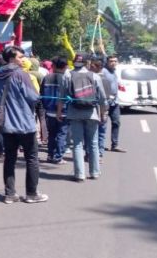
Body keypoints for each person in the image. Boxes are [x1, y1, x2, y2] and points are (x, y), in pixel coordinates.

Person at [0, 46, 48, 204]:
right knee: (32, 159)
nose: (23, 59)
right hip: (25, 124)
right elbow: (33, 97)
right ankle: (32, 193)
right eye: (21, 57)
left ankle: (10, 194)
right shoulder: (21, 74)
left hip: (6, 125)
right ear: (12, 58)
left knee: (10, 159)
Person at [57, 54, 108, 182]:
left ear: (74, 62)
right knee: (93, 144)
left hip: (74, 113)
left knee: (77, 145)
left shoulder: (67, 75)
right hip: (91, 113)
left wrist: (59, 112)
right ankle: (95, 172)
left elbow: (62, 97)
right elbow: (102, 99)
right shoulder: (94, 76)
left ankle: (80, 174)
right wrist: (103, 114)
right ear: (87, 62)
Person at [41, 57, 69, 164]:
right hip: (63, 111)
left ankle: (50, 155)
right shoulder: (66, 79)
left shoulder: (47, 77)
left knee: (51, 134)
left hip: (49, 111)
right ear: (65, 66)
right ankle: (58, 157)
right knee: (61, 134)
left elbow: (42, 94)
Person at [89, 57, 112, 162]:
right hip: (103, 109)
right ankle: (99, 153)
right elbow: (107, 97)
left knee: (91, 133)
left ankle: (90, 154)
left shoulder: (91, 79)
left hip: (94, 109)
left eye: (91, 65)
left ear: (96, 67)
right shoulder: (107, 80)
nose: (89, 67)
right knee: (101, 132)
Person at [103, 55, 124, 152]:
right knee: (102, 124)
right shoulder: (104, 71)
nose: (113, 63)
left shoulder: (114, 72)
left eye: (115, 61)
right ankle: (100, 145)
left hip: (115, 102)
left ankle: (114, 145)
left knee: (116, 122)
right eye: (111, 61)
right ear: (107, 62)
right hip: (105, 102)